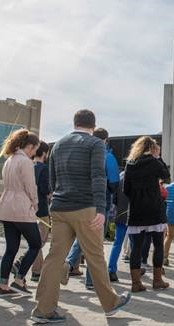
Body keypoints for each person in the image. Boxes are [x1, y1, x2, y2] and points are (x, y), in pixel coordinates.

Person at [31, 110, 130, 323]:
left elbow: (52, 179)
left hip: (59, 207)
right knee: (95, 256)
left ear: (75, 123)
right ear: (93, 126)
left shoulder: (58, 145)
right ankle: (110, 303)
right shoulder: (95, 145)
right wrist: (101, 209)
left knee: (54, 257)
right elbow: (98, 176)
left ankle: (43, 309)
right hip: (85, 208)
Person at [65, 127, 120, 288]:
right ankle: (91, 280)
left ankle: (67, 265)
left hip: (82, 200)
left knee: (83, 237)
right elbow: (114, 181)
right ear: (105, 140)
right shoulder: (107, 156)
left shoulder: (83, 153)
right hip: (101, 200)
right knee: (95, 241)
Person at [124, 136, 170, 292]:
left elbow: (126, 190)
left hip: (136, 209)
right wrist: (159, 158)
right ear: (152, 148)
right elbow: (166, 175)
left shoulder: (130, 164)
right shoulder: (154, 162)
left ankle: (135, 283)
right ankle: (157, 280)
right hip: (154, 209)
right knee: (158, 245)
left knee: (136, 247)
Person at [0, 129, 41, 296]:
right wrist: (35, 204)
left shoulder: (10, 160)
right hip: (22, 208)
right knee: (36, 244)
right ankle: (19, 279)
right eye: (35, 149)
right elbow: (30, 187)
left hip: (6, 207)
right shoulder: (25, 162)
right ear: (29, 146)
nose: (34, 153)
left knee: (11, 249)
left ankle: (3, 285)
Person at [30, 141, 51, 282]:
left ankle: (37, 272)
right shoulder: (44, 168)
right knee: (40, 241)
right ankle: (22, 261)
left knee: (35, 241)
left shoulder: (29, 166)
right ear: (44, 153)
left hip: (29, 209)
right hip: (42, 209)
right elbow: (45, 189)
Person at [108, 171, 129, 282]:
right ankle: (137, 268)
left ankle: (111, 270)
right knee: (135, 245)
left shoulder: (119, 181)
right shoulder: (137, 180)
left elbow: (114, 200)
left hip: (120, 215)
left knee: (117, 244)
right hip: (134, 217)